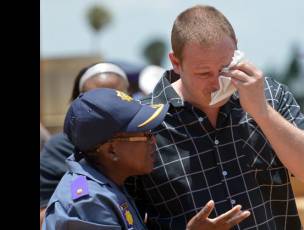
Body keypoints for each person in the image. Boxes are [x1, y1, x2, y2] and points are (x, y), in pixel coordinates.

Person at [126, 5, 304, 229]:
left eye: (225, 69)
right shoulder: (142, 122)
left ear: (236, 51)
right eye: (204, 73)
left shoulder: (269, 95)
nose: (216, 83)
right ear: (176, 63)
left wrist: (262, 112)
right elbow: (121, 218)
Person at [42, 88, 250, 229]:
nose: (154, 141)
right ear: (111, 150)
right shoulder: (87, 203)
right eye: (145, 135)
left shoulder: (106, 185)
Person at [40, 62, 131, 227]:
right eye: (98, 97)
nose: (108, 106)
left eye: (117, 95)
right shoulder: (59, 149)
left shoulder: (138, 145)